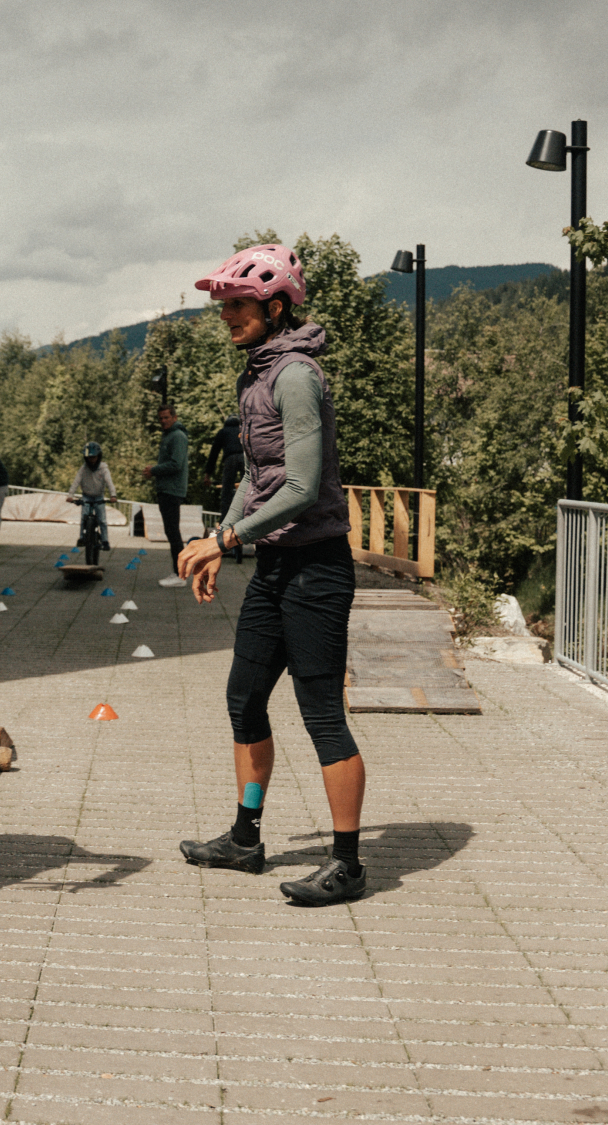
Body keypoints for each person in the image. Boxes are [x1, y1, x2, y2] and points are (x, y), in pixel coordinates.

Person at [174, 243, 368, 907]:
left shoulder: (295, 377)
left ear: (277, 306)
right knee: (245, 698)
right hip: (276, 566)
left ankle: (348, 864)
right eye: (224, 305)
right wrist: (217, 540)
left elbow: (303, 486)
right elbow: (257, 479)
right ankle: (245, 839)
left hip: (317, 568)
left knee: (322, 715)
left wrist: (227, 537)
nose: (226, 315)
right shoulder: (255, 375)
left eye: (238, 304)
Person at [145, 403, 189, 586]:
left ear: (174, 417)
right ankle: (178, 572)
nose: (163, 421)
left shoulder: (177, 436)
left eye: (166, 417)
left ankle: (180, 575)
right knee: (171, 532)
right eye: (160, 418)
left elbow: (176, 464)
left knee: (173, 532)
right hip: (166, 489)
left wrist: (154, 470)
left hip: (172, 490)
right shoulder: (169, 435)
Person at [203, 415, 246, 563]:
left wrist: (207, 475)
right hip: (245, 459)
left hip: (230, 460)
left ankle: (224, 524)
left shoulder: (223, 432)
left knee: (226, 499)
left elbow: (214, 453)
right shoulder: (242, 429)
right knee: (246, 495)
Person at [68, 441, 115, 550]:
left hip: (99, 496)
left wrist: (113, 495)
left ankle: (105, 541)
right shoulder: (83, 468)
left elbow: (109, 482)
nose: (91, 460)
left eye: (94, 457)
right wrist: (70, 495)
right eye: (89, 458)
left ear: (98, 456)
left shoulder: (103, 468)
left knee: (102, 520)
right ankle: (81, 538)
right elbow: (76, 481)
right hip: (87, 496)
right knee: (84, 518)